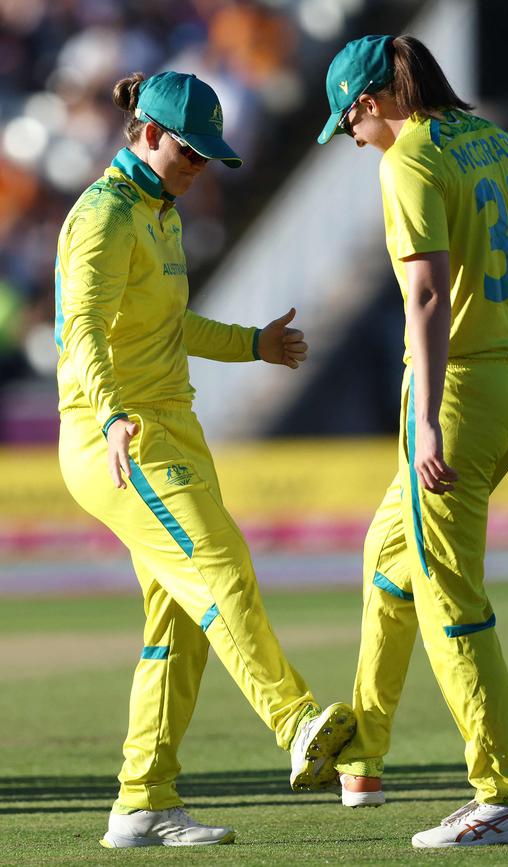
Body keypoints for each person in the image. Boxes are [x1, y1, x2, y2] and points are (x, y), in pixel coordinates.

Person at [317, 35, 508, 849]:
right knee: (389, 556)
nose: (351, 138)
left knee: (452, 600)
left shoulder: (407, 159)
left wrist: (424, 419)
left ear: (372, 103)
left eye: (347, 122)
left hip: (459, 395)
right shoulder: (501, 142)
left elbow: (423, 292)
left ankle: (507, 793)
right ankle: (364, 754)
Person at [55, 70, 356, 849]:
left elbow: (169, 326)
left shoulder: (158, 215)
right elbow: (80, 329)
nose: (197, 169)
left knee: (181, 623)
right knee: (221, 565)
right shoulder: (103, 216)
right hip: (119, 436)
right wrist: (113, 411)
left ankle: (141, 802)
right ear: (149, 133)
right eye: (190, 153)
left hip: (168, 431)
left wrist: (252, 344)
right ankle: (294, 721)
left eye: (206, 159)